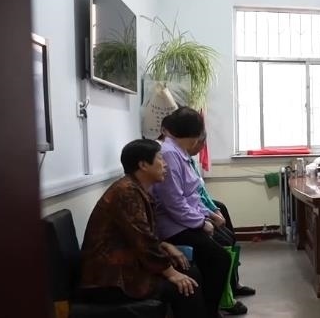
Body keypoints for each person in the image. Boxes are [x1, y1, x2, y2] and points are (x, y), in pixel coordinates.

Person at [79, 139, 211, 318]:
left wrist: (164, 245)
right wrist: (170, 273)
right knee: (186, 286)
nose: (165, 164)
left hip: (127, 265)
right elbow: (142, 240)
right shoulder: (127, 192)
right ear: (143, 165)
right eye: (160, 159)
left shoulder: (136, 188)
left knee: (189, 271)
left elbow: (139, 234)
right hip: (110, 279)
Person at [154, 107, 234, 317]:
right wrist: (201, 222)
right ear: (194, 135)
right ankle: (210, 311)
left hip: (184, 220)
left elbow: (192, 195)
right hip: (173, 226)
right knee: (219, 258)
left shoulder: (178, 153)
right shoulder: (169, 154)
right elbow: (174, 203)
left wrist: (207, 215)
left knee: (223, 242)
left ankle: (221, 299)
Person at [185, 130, 256, 315]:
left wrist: (213, 210)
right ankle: (225, 297)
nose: (201, 147)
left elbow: (201, 192)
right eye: (200, 142)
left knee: (226, 223)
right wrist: (205, 218)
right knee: (223, 242)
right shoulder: (173, 157)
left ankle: (233, 284)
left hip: (198, 210)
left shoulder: (188, 160)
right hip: (188, 220)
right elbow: (185, 201)